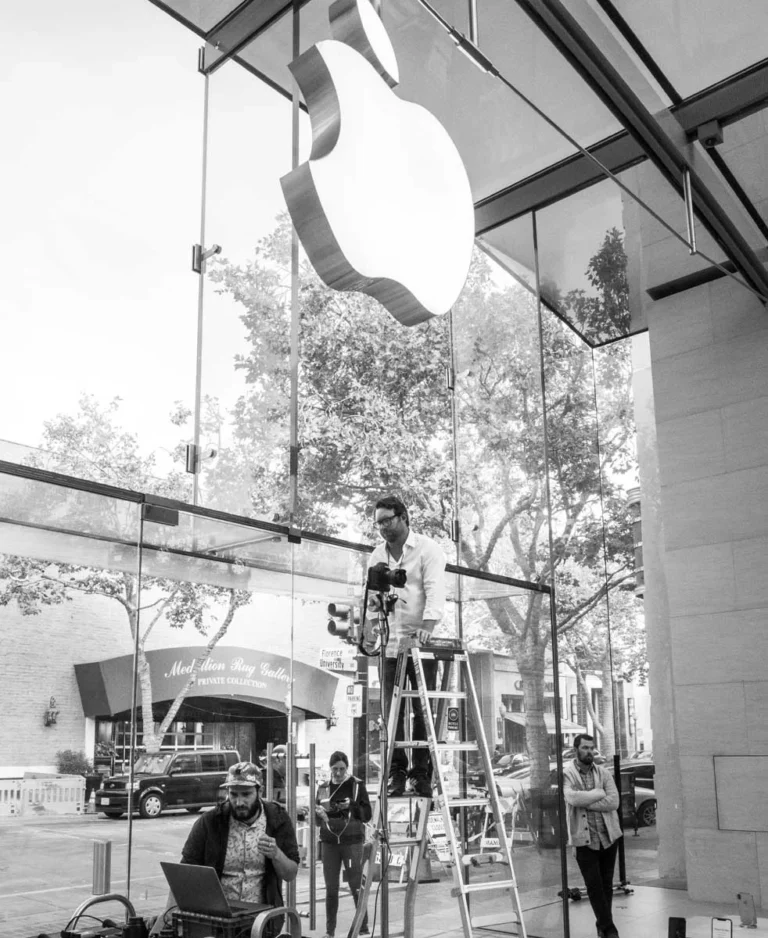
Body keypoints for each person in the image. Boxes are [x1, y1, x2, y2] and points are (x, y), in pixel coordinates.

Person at [367, 495, 446, 797]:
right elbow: (371, 598)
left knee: (422, 710)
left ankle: (421, 773)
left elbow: (435, 591)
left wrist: (428, 626)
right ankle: (396, 773)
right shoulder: (377, 555)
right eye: (378, 523)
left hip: (420, 644)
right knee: (391, 711)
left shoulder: (428, 549)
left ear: (403, 517)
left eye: (387, 520)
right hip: (389, 645)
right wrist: (375, 610)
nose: (383, 527)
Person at [182, 760, 299, 907]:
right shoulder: (210, 821)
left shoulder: (277, 819)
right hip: (217, 912)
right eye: (233, 794)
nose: (239, 802)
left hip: (262, 914)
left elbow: (290, 874)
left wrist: (276, 854)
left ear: (260, 792)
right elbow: (184, 872)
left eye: (246, 794)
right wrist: (169, 913)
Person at [562, 734, 623, 938]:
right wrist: (599, 793)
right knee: (594, 887)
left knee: (606, 886)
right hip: (583, 840)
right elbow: (572, 798)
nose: (589, 751)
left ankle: (602, 927)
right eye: (585, 748)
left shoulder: (603, 772)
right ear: (576, 750)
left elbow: (614, 802)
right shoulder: (567, 774)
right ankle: (610, 929)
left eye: (591, 748)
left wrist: (585, 801)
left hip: (608, 837)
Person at [315, 750, 372, 938]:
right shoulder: (323, 787)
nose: (338, 773)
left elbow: (367, 814)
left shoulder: (356, 785)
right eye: (335, 769)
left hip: (352, 841)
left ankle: (362, 927)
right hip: (330, 842)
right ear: (330, 768)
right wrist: (319, 814)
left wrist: (351, 805)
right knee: (331, 888)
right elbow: (317, 820)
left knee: (355, 884)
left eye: (341, 769)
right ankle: (329, 931)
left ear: (347, 768)